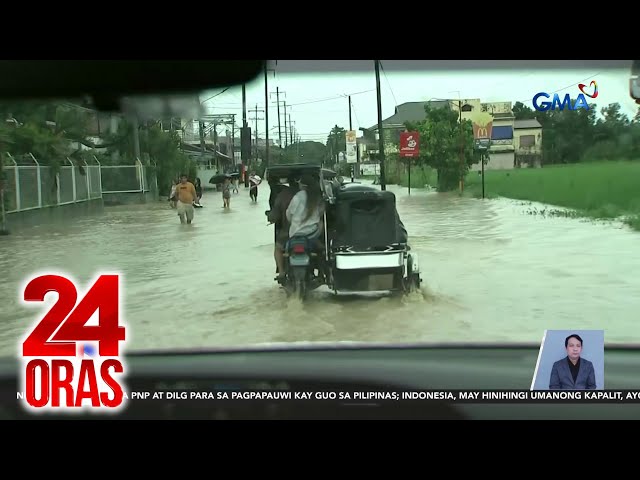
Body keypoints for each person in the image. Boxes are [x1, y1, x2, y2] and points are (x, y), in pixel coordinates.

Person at [267, 180, 297, 278]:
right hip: (311, 232)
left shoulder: (282, 196)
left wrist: (270, 217)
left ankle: (281, 272)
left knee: (278, 248)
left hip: (288, 232)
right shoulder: (310, 193)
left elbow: (274, 216)